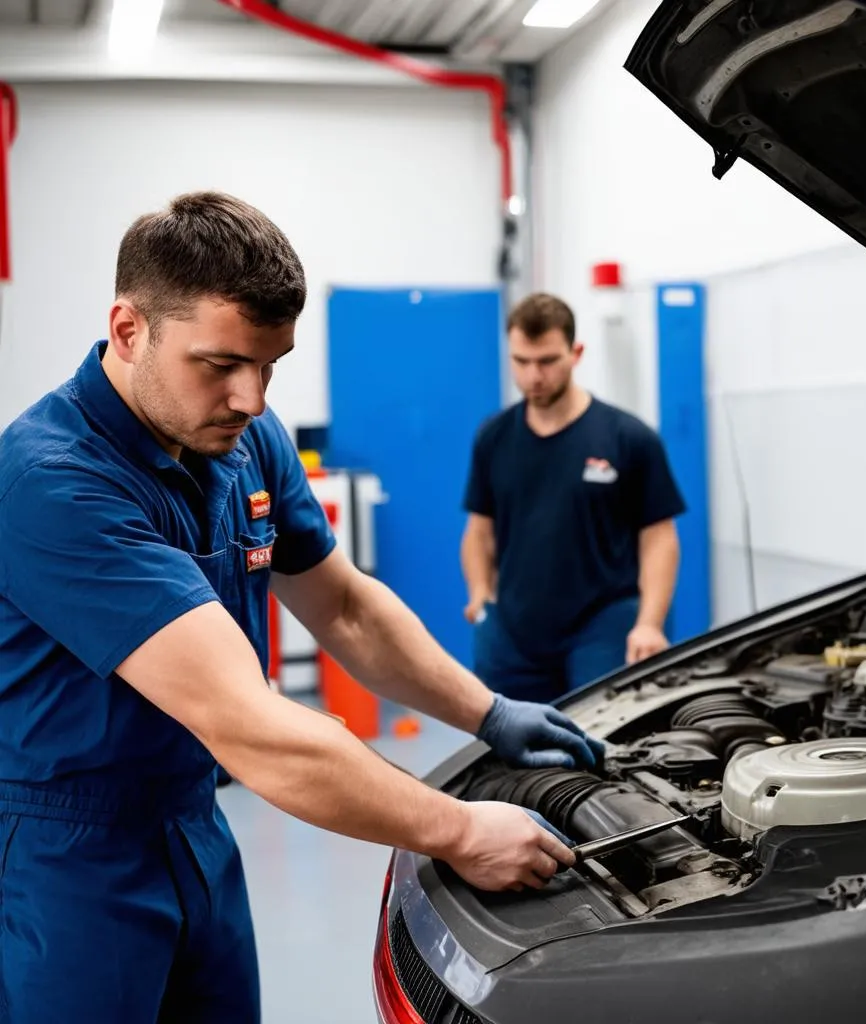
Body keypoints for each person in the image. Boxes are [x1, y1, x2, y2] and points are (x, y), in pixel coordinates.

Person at [0, 193, 604, 1024]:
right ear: (130, 329)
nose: (251, 397)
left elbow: (345, 607)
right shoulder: (53, 483)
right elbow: (251, 727)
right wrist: (458, 830)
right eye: (220, 365)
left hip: (191, 824)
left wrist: (488, 711)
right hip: (66, 858)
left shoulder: (246, 434)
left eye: (270, 365)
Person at [461, 292, 685, 704]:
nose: (534, 376)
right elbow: (479, 531)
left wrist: (650, 624)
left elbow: (660, 539)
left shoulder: (628, 438)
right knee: (510, 754)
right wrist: (479, 594)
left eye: (547, 361)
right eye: (521, 362)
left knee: (600, 750)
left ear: (575, 352)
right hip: (515, 630)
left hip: (603, 625)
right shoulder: (493, 438)